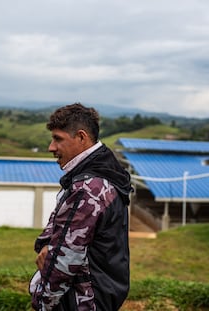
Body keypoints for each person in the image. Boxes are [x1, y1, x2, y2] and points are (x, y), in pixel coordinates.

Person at [30, 103, 133, 310]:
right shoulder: (102, 172)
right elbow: (60, 227)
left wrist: (41, 303)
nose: (51, 147)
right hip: (102, 294)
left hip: (84, 301)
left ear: (81, 137)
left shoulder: (88, 189)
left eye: (58, 139)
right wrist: (45, 245)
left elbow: (63, 261)